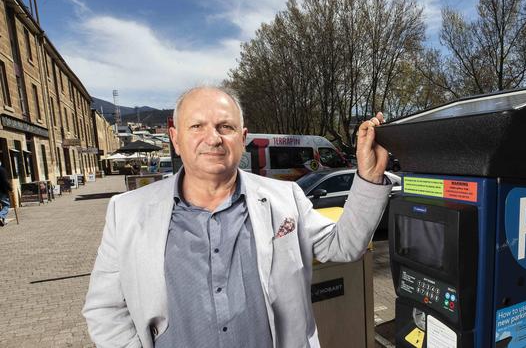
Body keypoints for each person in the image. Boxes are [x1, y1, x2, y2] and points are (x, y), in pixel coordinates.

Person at [82, 86, 392, 348]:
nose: (213, 138)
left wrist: (368, 177)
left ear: (242, 138)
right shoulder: (127, 212)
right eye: (197, 126)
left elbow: (345, 246)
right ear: (175, 138)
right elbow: (105, 309)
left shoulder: (286, 198)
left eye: (225, 127)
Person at [0, 162, 11, 226]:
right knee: (6, 205)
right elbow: (5, 181)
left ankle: (2, 220)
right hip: (1, 191)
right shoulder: (2, 170)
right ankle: (1, 216)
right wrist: (10, 189)